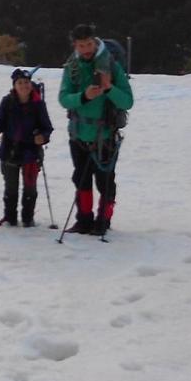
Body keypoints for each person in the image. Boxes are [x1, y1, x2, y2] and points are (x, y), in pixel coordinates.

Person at [58, 24, 134, 236]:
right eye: (81, 45)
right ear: (75, 45)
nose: (86, 49)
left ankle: (103, 220)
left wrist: (109, 88)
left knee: (105, 181)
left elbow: (128, 101)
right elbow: (63, 99)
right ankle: (84, 220)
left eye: (89, 44)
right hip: (79, 134)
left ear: (95, 41)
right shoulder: (71, 67)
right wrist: (84, 96)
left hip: (105, 135)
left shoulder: (111, 65)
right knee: (81, 178)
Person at [0, 68, 54, 227]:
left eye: (26, 82)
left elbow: (47, 127)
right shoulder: (7, 101)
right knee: (11, 186)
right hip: (10, 149)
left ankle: (27, 218)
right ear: (14, 85)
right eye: (20, 83)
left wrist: (43, 137)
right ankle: (10, 218)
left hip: (31, 152)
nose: (24, 86)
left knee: (30, 187)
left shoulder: (38, 103)